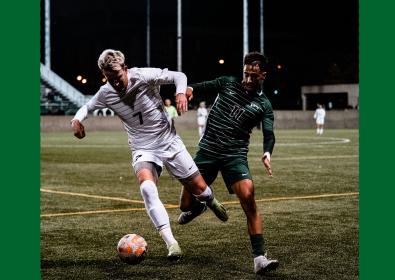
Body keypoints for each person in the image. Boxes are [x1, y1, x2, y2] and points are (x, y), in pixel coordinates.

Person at [70, 49, 228, 261]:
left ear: (125, 69)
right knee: (146, 187)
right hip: (142, 146)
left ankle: (209, 201)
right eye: (109, 79)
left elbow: (178, 76)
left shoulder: (143, 75)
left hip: (168, 140)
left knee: (200, 189)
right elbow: (87, 108)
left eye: (117, 77)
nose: (115, 83)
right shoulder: (106, 92)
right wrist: (76, 120)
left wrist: (181, 92)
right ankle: (171, 243)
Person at [178, 52, 279, 275]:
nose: (249, 80)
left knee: (249, 197)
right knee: (185, 206)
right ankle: (202, 204)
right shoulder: (227, 83)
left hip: (235, 156)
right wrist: (186, 92)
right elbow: (196, 87)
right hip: (208, 152)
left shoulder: (264, 104)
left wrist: (267, 153)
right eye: (246, 74)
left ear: (263, 75)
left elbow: (269, 134)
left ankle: (259, 258)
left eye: (254, 76)